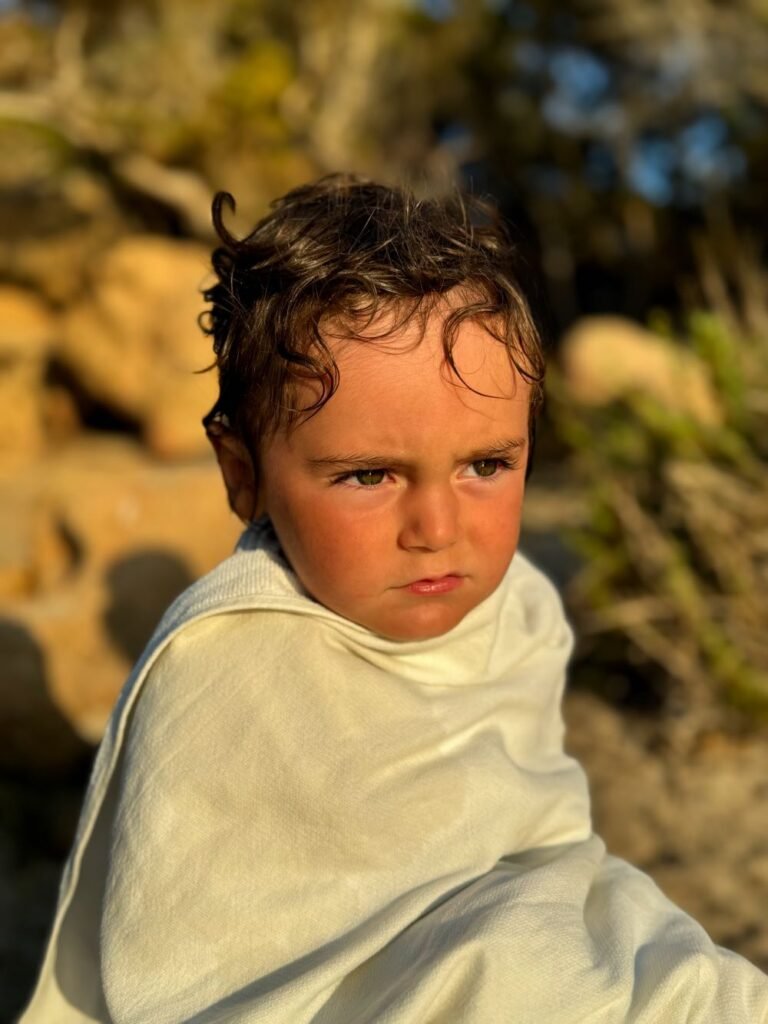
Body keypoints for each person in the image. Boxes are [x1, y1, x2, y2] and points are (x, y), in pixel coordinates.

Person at [19, 175, 768, 1024]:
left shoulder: (518, 608)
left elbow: (543, 855)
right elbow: (205, 972)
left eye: (487, 465)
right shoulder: (224, 675)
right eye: (369, 475)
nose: (438, 527)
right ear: (242, 475)